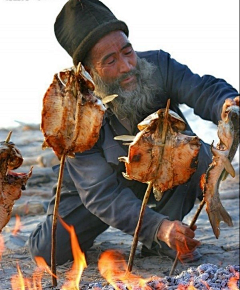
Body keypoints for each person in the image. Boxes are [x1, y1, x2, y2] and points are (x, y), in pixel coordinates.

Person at [29, 0, 239, 266]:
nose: (127, 65)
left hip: (162, 168)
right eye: (110, 60)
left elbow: (204, 90)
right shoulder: (76, 111)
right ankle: (156, 231)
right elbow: (100, 193)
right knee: (47, 252)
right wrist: (158, 227)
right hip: (97, 188)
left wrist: (228, 104)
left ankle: (158, 244)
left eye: (127, 51)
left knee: (198, 155)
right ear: (89, 71)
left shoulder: (159, 66)